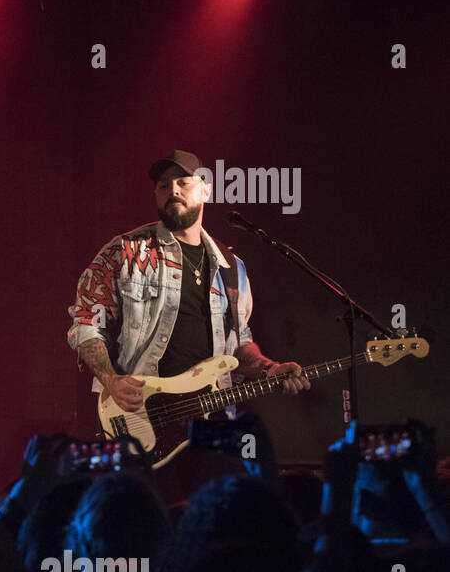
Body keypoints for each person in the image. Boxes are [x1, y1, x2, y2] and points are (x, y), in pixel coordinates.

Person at [68, 149, 309, 408]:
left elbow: (239, 344)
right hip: (142, 415)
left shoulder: (231, 267)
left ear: (206, 190)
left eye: (183, 182)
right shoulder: (124, 251)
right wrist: (112, 381)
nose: (173, 190)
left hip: (210, 419)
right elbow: (86, 324)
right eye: (164, 186)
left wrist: (270, 369)